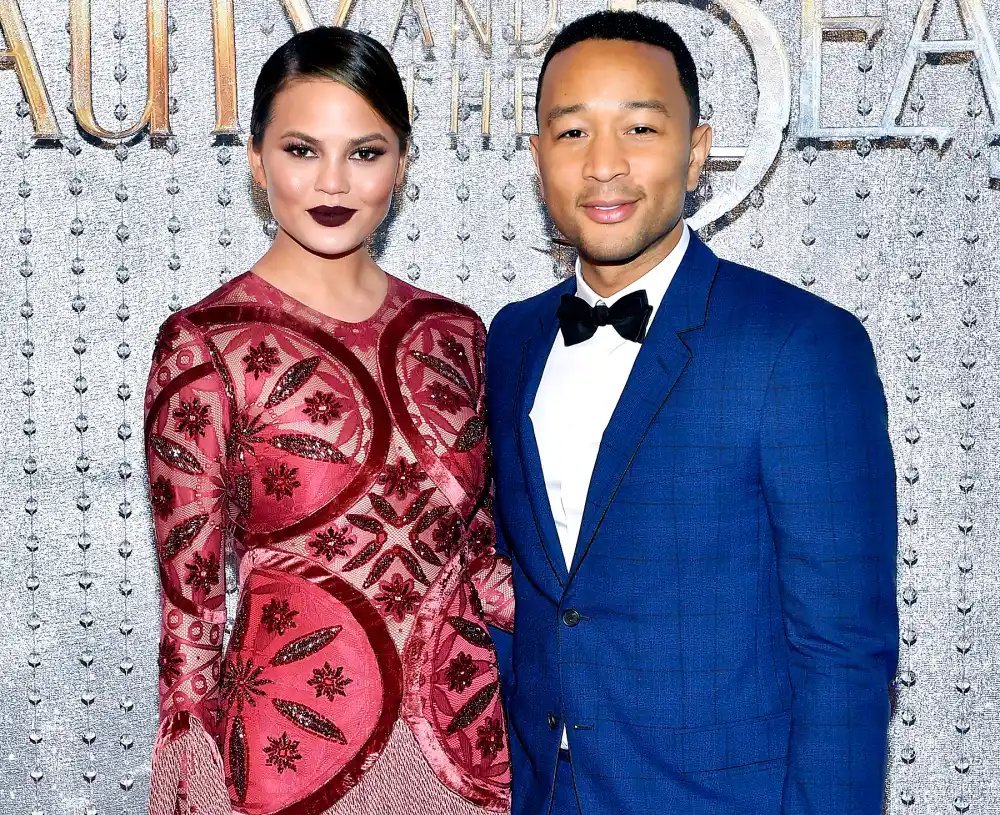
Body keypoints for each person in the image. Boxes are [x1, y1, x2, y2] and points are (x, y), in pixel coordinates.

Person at [484, 10, 898, 815]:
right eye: (572, 133)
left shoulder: (799, 344)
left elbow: (844, 651)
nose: (605, 166)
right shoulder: (511, 339)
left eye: (640, 127)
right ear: (538, 158)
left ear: (697, 149)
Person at [145, 26, 513, 815]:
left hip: (470, 759)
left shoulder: (455, 334)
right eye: (303, 150)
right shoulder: (206, 344)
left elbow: (487, 565)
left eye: (366, 151)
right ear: (257, 161)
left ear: (403, 162)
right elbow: (192, 616)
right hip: (289, 767)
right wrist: (193, 788)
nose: (334, 181)